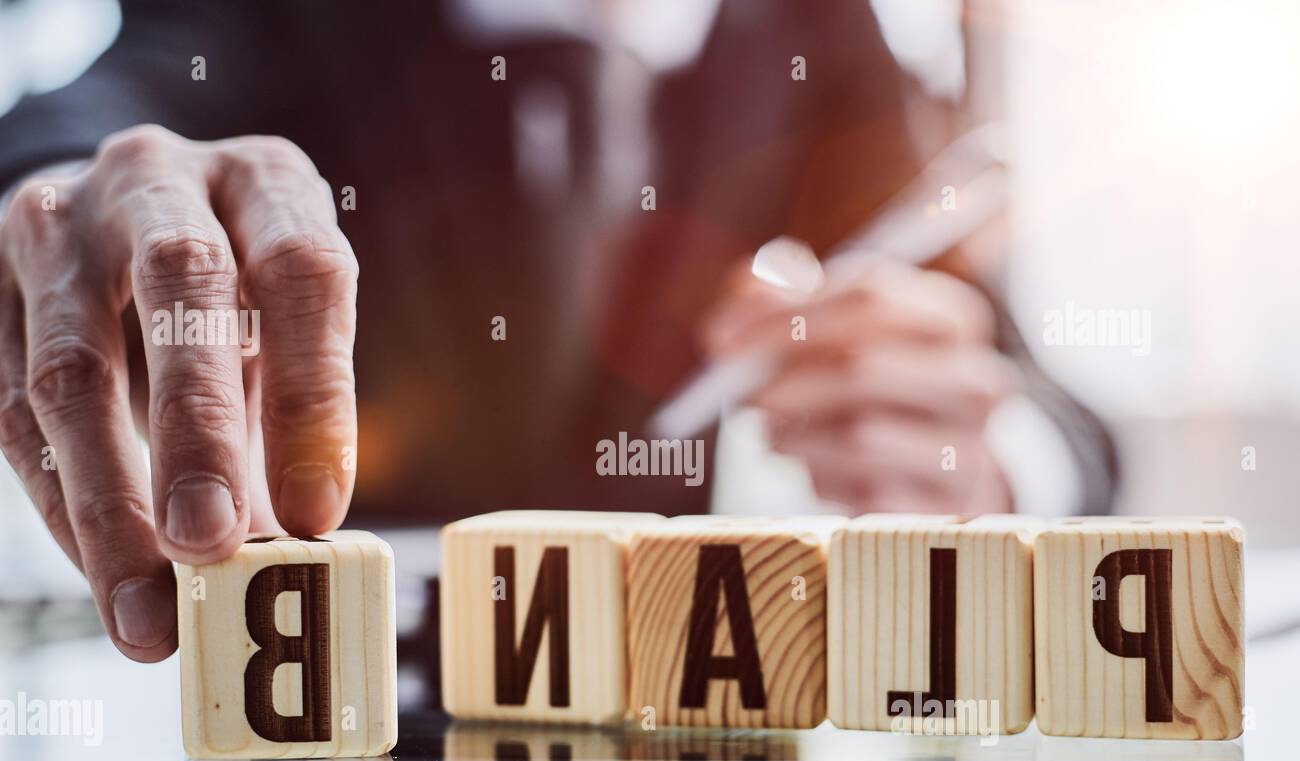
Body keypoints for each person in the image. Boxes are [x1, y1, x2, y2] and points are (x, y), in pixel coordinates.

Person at [0, 0, 1114, 662]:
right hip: (348, 713)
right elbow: (85, 127)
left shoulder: (817, 31)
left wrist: (985, 459)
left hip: (678, 713)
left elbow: (1049, 409)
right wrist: (56, 199)